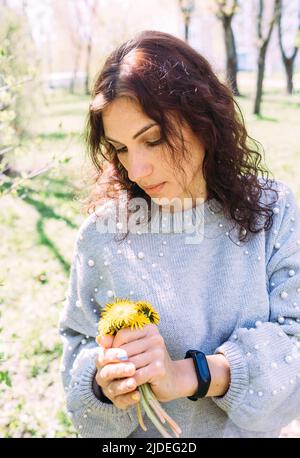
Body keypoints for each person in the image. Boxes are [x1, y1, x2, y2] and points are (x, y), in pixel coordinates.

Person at [58, 30, 300, 438]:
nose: (136, 170)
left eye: (153, 139)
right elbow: (76, 354)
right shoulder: (102, 234)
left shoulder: (273, 213)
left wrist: (194, 374)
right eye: (120, 149)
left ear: (202, 120)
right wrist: (103, 384)